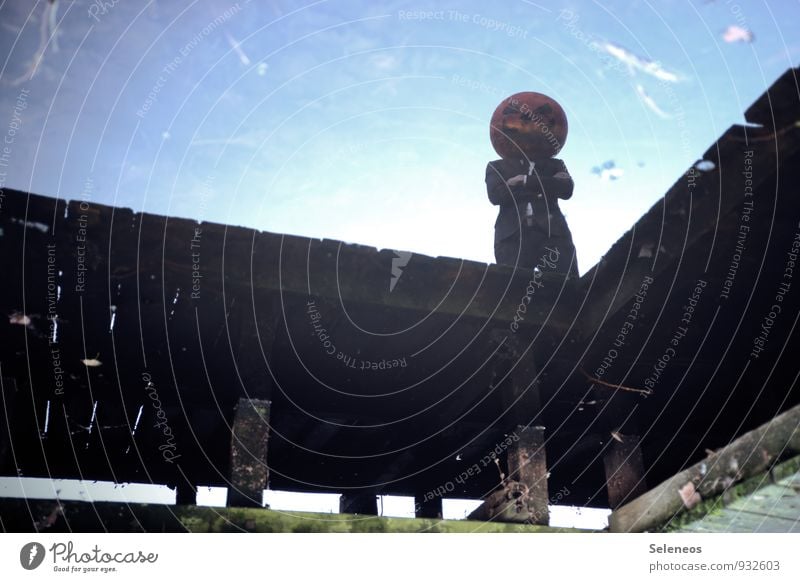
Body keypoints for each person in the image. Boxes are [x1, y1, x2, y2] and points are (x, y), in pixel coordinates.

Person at [486, 155, 579, 278]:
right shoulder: (496, 166)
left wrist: (523, 180)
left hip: (553, 234)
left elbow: (566, 189)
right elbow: (496, 196)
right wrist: (547, 183)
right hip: (512, 236)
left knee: (566, 285)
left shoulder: (556, 163)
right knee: (512, 288)